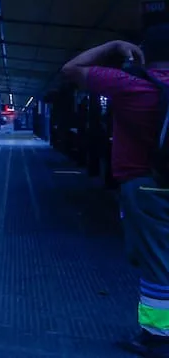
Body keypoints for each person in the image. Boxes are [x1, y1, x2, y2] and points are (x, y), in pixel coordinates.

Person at [61, 33, 169, 357]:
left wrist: (112, 47)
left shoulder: (131, 85)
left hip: (146, 185)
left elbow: (71, 69)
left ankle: (156, 336)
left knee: (156, 263)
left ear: (144, 56)